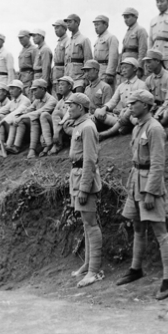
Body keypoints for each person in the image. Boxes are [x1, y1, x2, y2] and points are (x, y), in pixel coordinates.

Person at [117, 90, 168, 300]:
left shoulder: (155, 128)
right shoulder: (138, 127)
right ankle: (136, 268)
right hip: (136, 180)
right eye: (130, 102)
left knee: (160, 230)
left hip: (149, 183)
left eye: (135, 103)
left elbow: (158, 163)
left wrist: (150, 191)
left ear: (146, 106)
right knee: (138, 227)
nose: (130, 106)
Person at [66, 92, 104, 288]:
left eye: (71, 105)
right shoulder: (79, 125)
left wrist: (84, 187)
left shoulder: (87, 127)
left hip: (84, 178)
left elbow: (90, 159)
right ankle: (88, 264)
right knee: (86, 223)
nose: (68, 109)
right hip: (77, 175)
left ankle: (94, 271)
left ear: (80, 108)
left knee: (90, 224)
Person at [93, 57, 148, 139]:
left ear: (135, 69)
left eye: (126, 67)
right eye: (122, 68)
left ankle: (109, 132)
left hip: (135, 116)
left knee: (132, 116)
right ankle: (125, 127)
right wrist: (104, 108)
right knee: (98, 112)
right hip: (122, 117)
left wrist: (128, 110)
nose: (123, 70)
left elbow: (142, 104)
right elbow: (113, 101)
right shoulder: (121, 86)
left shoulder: (141, 84)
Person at [21, 77, 57, 158]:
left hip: (52, 129)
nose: (33, 92)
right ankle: (32, 149)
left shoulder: (52, 100)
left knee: (40, 115)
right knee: (30, 119)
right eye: (32, 90)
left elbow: (39, 112)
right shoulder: (37, 100)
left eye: (35, 90)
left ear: (43, 89)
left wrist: (22, 116)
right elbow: (29, 109)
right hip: (41, 128)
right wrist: (19, 114)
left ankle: (48, 145)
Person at [42, 75, 75, 154]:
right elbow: (54, 117)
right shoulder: (60, 101)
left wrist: (56, 132)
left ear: (70, 86)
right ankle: (48, 143)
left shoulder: (74, 97)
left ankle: (58, 144)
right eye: (59, 85)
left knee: (57, 113)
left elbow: (69, 115)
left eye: (62, 84)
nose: (60, 87)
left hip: (72, 124)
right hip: (62, 127)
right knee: (44, 115)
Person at [0, 79, 30, 153]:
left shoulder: (25, 100)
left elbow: (16, 113)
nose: (10, 91)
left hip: (26, 131)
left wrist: (1, 122)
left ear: (19, 89)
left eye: (12, 88)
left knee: (15, 118)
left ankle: (15, 146)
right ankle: (1, 145)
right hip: (15, 129)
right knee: (0, 116)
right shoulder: (12, 102)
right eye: (10, 89)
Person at [64, 14, 92, 87]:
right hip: (68, 76)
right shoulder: (68, 41)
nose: (68, 24)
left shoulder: (84, 39)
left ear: (77, 23)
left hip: (79, 77)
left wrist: (86, 77)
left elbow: (88, 60)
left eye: (70, 21)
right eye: (67, 22)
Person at [92, 15, 120, 89]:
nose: (95, 27)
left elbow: (113, 56)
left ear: (105, 25)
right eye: (95, 25)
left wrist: (110, 73)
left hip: (106, 71)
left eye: (98, 24)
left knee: (106, 93)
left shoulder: (111, 38)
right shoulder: (98, 40)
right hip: (97, 71)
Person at [121, 7, 148, 73]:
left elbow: (143, 50)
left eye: (127, 17)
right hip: (125, 62)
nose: (125, 20)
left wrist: (139, 67)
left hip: (134, 63)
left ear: (135, 17)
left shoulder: (140, 30)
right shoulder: (128, 31)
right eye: (124, 18)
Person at [51, 20, 69, 88]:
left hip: (63, 73)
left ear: (64, 28)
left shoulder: (67, 41)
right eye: (55, 28)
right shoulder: (59, 42)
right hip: (56, 74)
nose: (55, 30)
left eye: (58, 27)